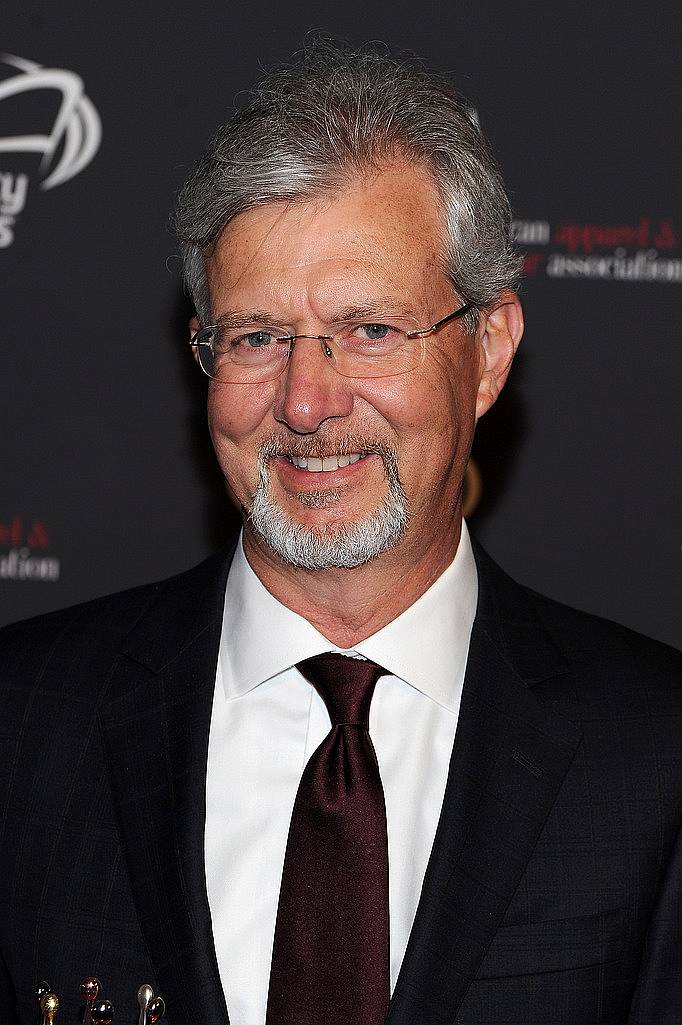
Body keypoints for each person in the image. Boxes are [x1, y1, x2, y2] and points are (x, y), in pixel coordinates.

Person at [0, 42, 679, 1025]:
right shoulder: (24, 729)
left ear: (487, 351)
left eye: (369, 330)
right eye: (257, 337)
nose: (306, 401)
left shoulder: (654, 760)